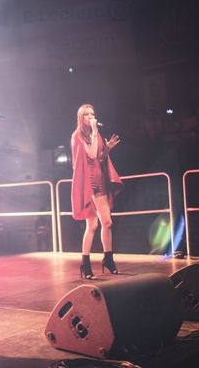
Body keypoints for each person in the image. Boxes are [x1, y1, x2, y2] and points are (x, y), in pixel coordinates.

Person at [71, 104, 122, 279]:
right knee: (92, 225)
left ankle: (108, 258)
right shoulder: (78, 136)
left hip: (100, 181)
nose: (91, 117)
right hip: (88, 184)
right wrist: (94, 131)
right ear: (81, 118)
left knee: (107, 223)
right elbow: (91, 154)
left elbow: (99, 157)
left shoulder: (97, 135)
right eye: (87, 114)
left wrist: (108, 148)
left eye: (92, 114)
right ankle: (85, 263)